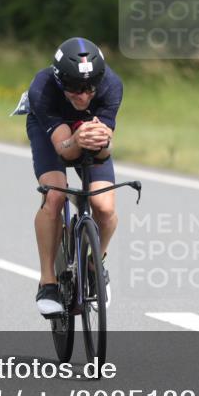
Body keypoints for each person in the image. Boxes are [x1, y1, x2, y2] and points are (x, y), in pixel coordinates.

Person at [24, 37, 123, 317]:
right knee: (54, 196)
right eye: (74, 88)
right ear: (59, 82)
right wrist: (77, 139)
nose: (83, 96)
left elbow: (104, 152)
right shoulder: (42, 88)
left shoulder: (112, 85)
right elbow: (63, 150)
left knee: (104, 207)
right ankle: (48, 282)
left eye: (89, 88)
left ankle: (94, 265)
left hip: (86, 133)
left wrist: (104, 142)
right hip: (53, 135)